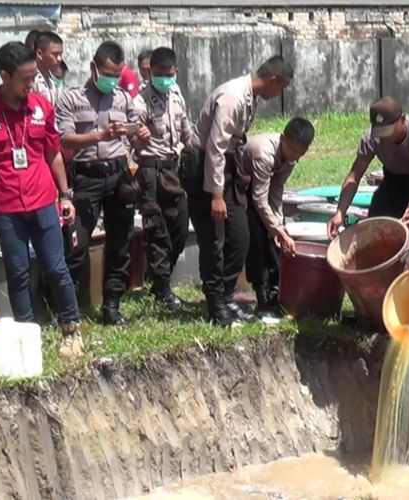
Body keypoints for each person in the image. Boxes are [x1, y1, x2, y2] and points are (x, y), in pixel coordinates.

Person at [0, 42, 82, 358]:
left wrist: (65, 195)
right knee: (18, 273)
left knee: (56, 267)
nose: (31, 85)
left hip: (43, 201)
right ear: (4, 75)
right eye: (24, 79)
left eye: (33, 77)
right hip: (5, 207)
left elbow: (53, 154)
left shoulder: (41, 108)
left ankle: (71, 329)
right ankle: (26, 336)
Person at [190, 55, 292, 326]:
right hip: (205, 169)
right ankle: (216, 307)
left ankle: (224, 297)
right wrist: (215, 194)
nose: (277, 95)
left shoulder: (249, 96)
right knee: (215, 239)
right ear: (273, 80)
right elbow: (214, 146)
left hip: (226, 168)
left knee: (240, 236)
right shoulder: (234, 96)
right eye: (280, 88)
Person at [56, 40, 151, 325]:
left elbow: (133, 136)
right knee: (76, 243)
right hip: (86, 176)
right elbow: (64, 139)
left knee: (120, 242)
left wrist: (140, 136)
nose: (112, 80)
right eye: (107, 73)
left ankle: (112, 306)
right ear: (93, 68)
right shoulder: (72, 98)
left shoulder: (123, 99)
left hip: (119, 174)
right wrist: (99, 136)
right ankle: (68, 309)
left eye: (117, 75)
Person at [327, 97, 409, 268]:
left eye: (388, 130)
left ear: (403, 120)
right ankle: (384, 273)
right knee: (377, 225)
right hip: (395, 176)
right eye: (380, 132)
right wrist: (340, 212)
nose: (384, 137)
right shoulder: (370, 139)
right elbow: (354, 177)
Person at [133, 47, 196, 310]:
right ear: (150, 72)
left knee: (179, 227)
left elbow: (186, 132)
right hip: (151, 169)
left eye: (169, 74)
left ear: (175, 72)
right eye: (159, 75)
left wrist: (197, 151)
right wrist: (139, 138)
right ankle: (162, 289)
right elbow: (131, 141)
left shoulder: (177, 95)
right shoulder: (140, 101)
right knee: (157, 230)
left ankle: (162, 279)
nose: (164, 79)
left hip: (174, 169)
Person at [241, 118, 315, 315]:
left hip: (261, 189)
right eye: (291, 150)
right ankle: (262, 292)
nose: (294, 156)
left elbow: (276, 188)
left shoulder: (292, 157)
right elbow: (258, 198)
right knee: (256, 235)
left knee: (274, 237)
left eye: (300, 152)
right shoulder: (264, 153)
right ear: (283, 139)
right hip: (241, 187)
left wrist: (279, 226)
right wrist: (276, 229)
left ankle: (276, 289)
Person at [31, 31, 64, 106]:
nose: (59, 59)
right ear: (39, 54)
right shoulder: (30, 80)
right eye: (55, 54)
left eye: (61, 54)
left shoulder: (51, 78)